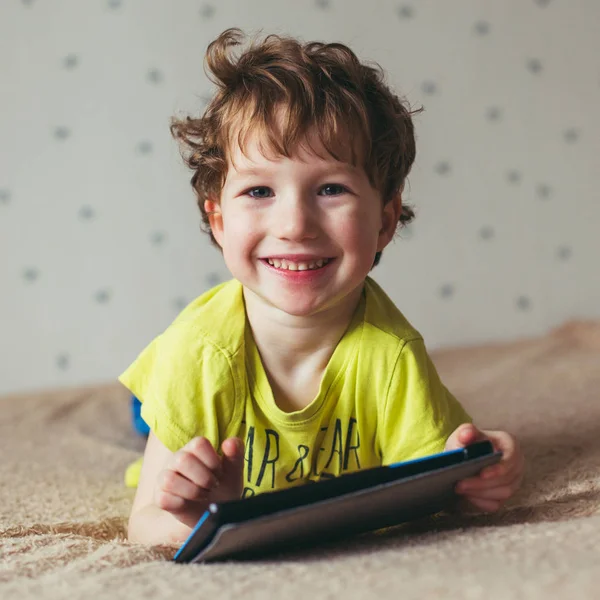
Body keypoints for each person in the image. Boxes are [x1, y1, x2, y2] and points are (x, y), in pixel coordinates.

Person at [120, 28, 525, 546]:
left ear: (384, 220)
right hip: (203, 383)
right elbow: (143, 524)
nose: (295, 224)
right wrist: (201, 512)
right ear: (219, 221)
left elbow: (434, 487)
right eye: (259, 190)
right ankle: (145, 411)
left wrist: (479, 478)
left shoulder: (392, 356)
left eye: (330, 188)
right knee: (150, 421)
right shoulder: (197, 354)